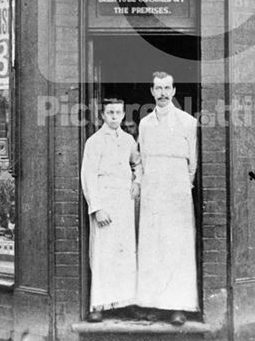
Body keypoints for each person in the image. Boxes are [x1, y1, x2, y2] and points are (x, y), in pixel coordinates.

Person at [136, 71, 199, 325]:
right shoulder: (145, 124)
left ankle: (178, 306)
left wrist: (183, 184)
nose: (162, 93)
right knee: (153, 247)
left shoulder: (187, 122)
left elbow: (192, 163)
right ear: (152, 92)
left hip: (177, 191)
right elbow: (142, 158)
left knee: (178, 247)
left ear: (173, 91)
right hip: (153, 191)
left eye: (167, 88)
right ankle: (152, 303)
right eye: (157, 88)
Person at [80, 98, 140, 321]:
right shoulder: (94, 142)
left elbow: (138, 163)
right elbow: (88, 176)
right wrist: (97, 208)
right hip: (104, 203)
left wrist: (137, 181)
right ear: (103, 115)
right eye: (110, 113)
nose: (114, 116)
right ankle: (99, 305)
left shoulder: (128, 140)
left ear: (123, 115)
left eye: (118, 113)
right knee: (103, 253)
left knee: (125, 252)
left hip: (124, 203)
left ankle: (126, 301)